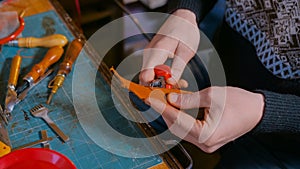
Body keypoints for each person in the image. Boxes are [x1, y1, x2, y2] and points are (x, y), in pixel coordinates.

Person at [139, 0, 300, 168]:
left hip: (286, 140)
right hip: (218, 76)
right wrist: (185, 11)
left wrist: (266, 111)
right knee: (126, 113)